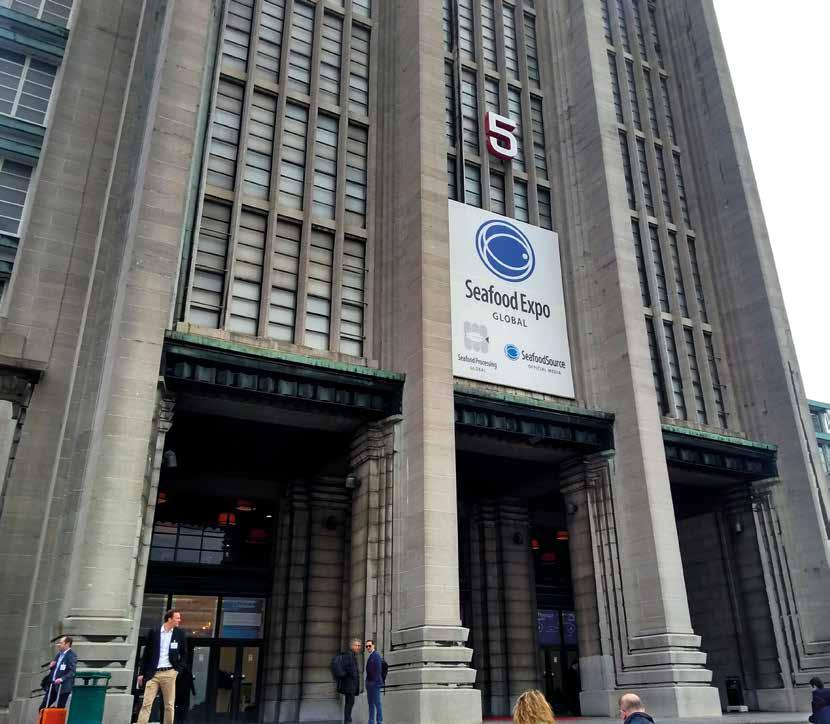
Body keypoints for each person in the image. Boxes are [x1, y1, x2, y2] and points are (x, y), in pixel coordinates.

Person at [137, 608, 188, 724]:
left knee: (169, 705)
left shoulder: (179, 634)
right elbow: (146, 654)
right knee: (146, 704)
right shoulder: (154, 632)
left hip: (169, 673)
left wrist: (177, 671)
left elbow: (184, 655)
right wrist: (141, 673)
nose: (179, 620)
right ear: (169, 619)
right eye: (177, 618)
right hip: (153, 673)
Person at [39, 636, 77, 711]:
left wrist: (62, 679)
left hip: (63, 687)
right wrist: (51, 666)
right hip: (53, 685)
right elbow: (56, 669)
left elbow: (72, 671)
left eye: (61, 643)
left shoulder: (71, 656)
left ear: (67, 644)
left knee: (59, 709)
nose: (58, 645)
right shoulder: (58, 655)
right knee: (42, 708)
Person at [332, 638, 361, 724]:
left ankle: (348, 720)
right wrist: (352, 675)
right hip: (349, 684)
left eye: (359, 646)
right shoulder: (349, 655)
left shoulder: (352, 655)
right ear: (352, 646)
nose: (358, 647)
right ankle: (347, 721)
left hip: (350, 684)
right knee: (349, 704)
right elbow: (348, 669)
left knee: (349, 703)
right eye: (356, 645)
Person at [365, 639, 384, 724]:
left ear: (373, 646)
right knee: (371, 704)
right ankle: (371, 721)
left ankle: (379, 721)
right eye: (367, 646)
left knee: (377, 703)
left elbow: (378, 670)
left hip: (375, 684)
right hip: (370, 684)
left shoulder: (376, 655)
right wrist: (367, 682)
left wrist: (373, 683)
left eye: (369, 646)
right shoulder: (371, 656)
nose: (368, 647)